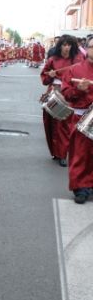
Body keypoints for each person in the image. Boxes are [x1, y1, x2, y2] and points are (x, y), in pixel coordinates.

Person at [40, 35, 84, 166]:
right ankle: (55, 152)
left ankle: (62, 154)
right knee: (49, 122)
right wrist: (50, 75)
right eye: (64, 45)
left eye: (69, 45)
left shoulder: (78, 59)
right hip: (54, 92)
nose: (66, 48)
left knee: (63, 125)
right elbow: (44, 76)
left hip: (68, 93)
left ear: (73, 46)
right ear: (60, 46)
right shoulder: (53, 59)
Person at [61, 37, 93, 203]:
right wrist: (79, 90)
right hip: (82, 117)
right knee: (80, 154)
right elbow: (66, 94)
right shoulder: (75, 70)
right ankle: (80, 187)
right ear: (86, 49)